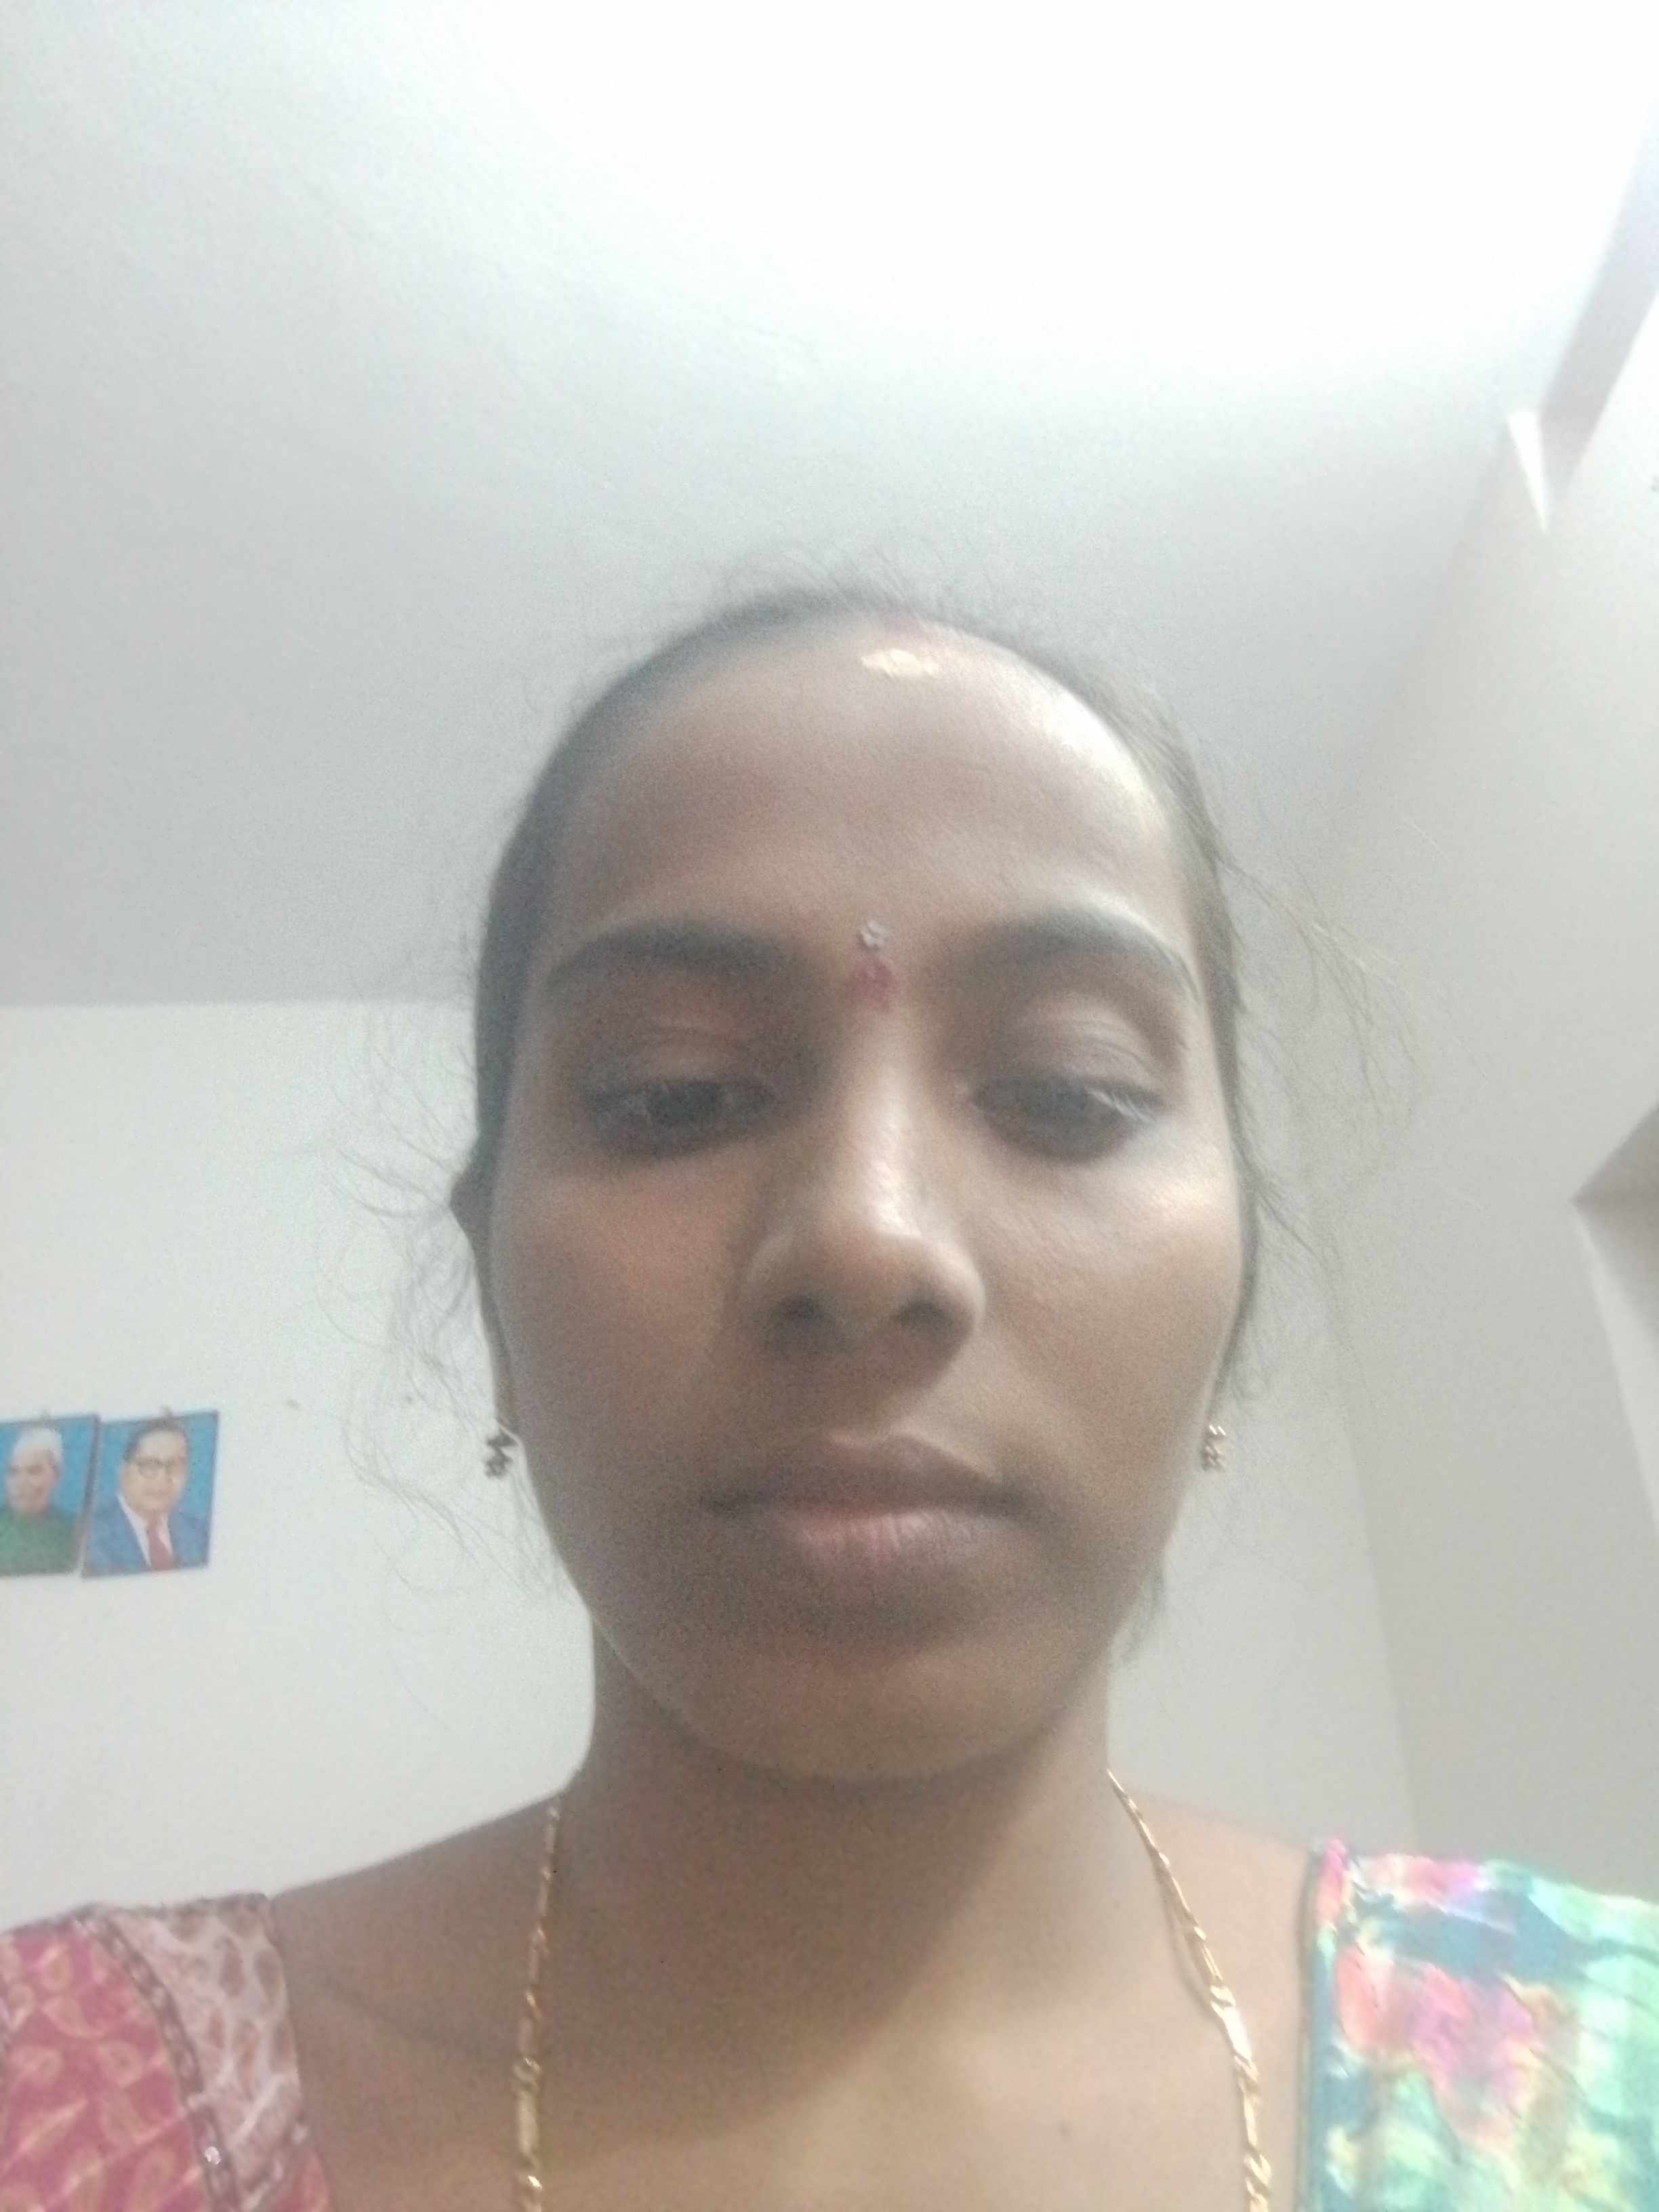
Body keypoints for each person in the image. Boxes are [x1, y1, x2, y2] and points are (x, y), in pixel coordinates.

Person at [3, 588, 1656, 2209]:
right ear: (493, 1295)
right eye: (675, 1094)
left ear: (1233, 1302)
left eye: (1066, 1092)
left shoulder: (1595, 2082)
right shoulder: (51, 2102)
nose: (868, 1239)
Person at [83, 1416, 210, 1574]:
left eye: (175, 1466)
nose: (162, 1479)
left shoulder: (201, 1534)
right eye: (149, 1465)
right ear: (123, 1471)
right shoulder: (90, 1537)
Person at [0, 1424, 79, 1575]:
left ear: (57, 1476)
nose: (21, 1483)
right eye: (13, 1472)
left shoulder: (75, 1532)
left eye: (33, 1472)